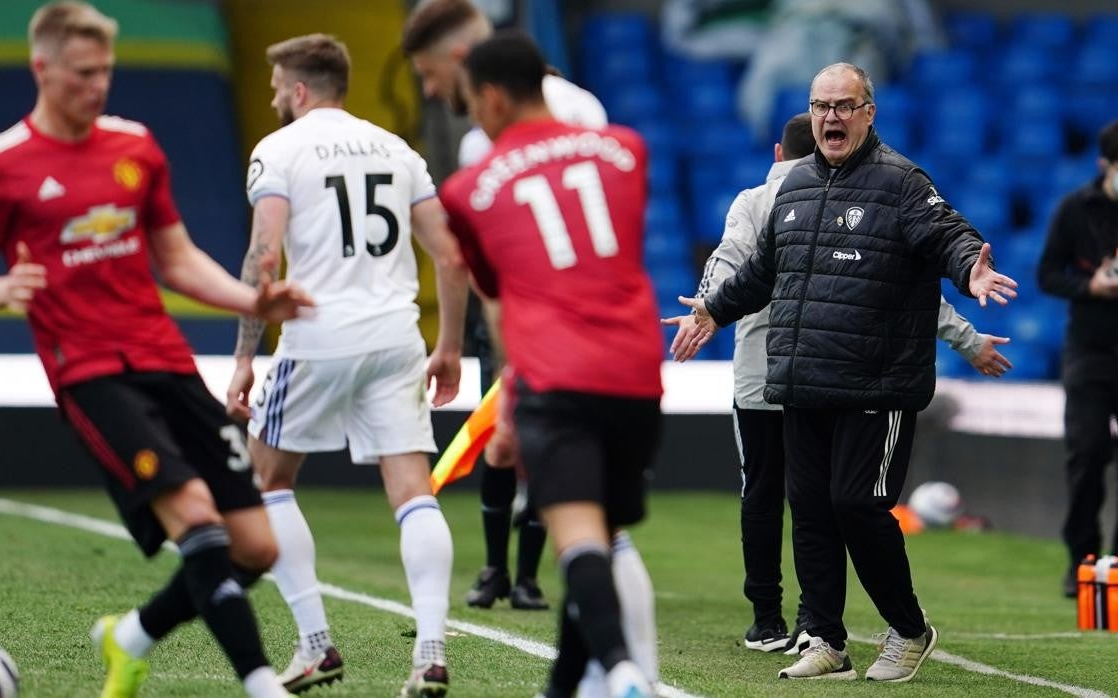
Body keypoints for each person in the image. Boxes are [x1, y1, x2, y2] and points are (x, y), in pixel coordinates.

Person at [0, 4, 313, 697]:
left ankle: (132, 636)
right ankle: (262, 684)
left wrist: (252, 302)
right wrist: (0, 288)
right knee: (197, 520)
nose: (99, 86)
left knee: (256, 547)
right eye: (84, 74)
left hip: (164, 359)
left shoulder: (136, 147)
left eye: (107, 71)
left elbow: (175, 258)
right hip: (88, 373)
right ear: (42, 69)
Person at [667, 62, 1017, 682]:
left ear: (868, 112)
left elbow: (947, 234)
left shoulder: (902, 181)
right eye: (822, 106)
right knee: (810, 509)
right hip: (802, 379)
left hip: (875, 382)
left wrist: (972, 271)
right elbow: (762, 271)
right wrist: (714, 310)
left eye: (844, 105)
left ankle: (909, 629)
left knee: (857, 504)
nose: (832, 116)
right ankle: (825, 639)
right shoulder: (797, 184)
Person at [224, 33, 468, 698]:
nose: (274, 98)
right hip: (395, 338)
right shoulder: (398, 150)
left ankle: (315, 646)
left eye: (278, 88)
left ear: (300, 91)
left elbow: (262, 260)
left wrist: (246, 359)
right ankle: (432, 651)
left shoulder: (277, 151)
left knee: (265, 482)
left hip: (318, 336)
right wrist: (449, 344)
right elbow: (450, 256)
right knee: (414, 493)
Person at [440, 32, 662, 698]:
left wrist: (507, 400)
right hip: (635, 370)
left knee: (578, 544)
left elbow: (497, 300)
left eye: (471, 105)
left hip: (556, 373)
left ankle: (625, 670)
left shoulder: (467, 190)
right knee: (597, 542)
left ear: (495, 97)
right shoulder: (628, 149)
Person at [402, 0, 606, 614]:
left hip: (547, 326)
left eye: (432, 76)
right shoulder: (590, 118)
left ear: (462, 62)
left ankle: (526, 576)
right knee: (511, 443)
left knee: (526, 447)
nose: (433, 93)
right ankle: (503, 569)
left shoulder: (547, 125)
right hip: (543, 326)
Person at [1037, 119, 1118, 599]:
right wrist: (1090, 286)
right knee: (1086, 454)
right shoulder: (1075, 209)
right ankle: (1082, 560)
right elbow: (1047, 273)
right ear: (1103, 166)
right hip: (1090, 349)